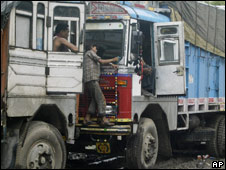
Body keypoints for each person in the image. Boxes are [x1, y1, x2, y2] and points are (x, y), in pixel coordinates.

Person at [83, 44, 118, 127]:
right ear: (91, 47)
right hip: (92, 79)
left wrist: (111, 64)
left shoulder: (89, 56)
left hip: (89, 80)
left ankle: (87, 118)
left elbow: (100, 63)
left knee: (94, 100)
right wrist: (113, 59)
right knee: (101, 98)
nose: (96, 49)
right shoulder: (90, 52)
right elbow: (101, 61)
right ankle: (103, 119)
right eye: (95, 47)